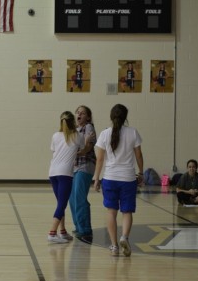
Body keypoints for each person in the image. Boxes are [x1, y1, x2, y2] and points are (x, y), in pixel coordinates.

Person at [93, 104, 144, 257]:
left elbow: (100, 159)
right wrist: (141, 173)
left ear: (111, 116)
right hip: (128, 178)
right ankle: (124, 237)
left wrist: (96, 178)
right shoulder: (133, 132)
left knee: (111, 212)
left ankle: (114, 246)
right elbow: (139, 156)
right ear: (125, 116)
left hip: (110, 178)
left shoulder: (104, 134)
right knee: (127, 211)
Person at [48, 111, 85, 244]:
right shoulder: (77, 136)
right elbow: (82, 150)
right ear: (72, 122)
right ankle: (52, 233)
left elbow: (55, 151)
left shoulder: (55, 136)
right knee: (62, 204)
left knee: (60, 203)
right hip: (65, 174)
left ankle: (62, 231)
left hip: (53, 173)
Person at [69, 105, 96, 243]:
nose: (79, 114)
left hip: (85, 166)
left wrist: (74, 152)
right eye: (77, 112)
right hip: (74, 167)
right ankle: (78, 227)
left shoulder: (88, 128)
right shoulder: (74, 130)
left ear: (88, 117)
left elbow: (87, 149)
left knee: (79, 198)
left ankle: (86, 230)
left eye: (83, 113)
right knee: (72, 198)